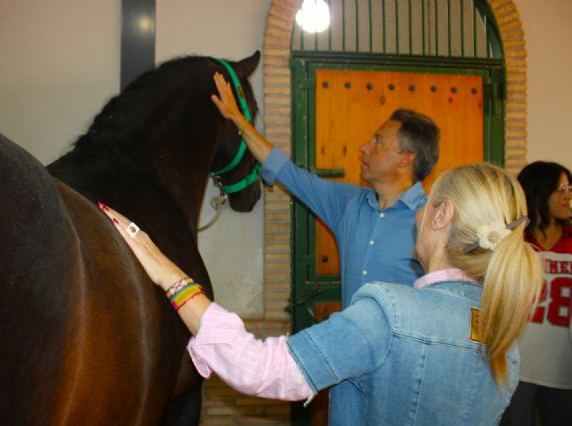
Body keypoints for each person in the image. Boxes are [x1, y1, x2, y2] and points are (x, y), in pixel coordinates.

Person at [99, 162, 542, 425]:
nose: (419, 213)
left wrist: (169, 275)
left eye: (430, 204)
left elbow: (259, 369)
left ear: (443, 214)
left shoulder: (390, 313)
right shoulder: (504, 332)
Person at [210, 72, 440, 308]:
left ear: (406, 160)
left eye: (378, 142)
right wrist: (238, 120)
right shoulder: (348, 203)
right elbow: (285, 171)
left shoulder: (435, 223)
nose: (364, 148)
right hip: (352, 343)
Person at [501, 161, 572, 426]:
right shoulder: (513, 239)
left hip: (563, 369)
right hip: (516, 368)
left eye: (569, 187)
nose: (568, 194)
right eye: (560, 188)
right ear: (538, 191)